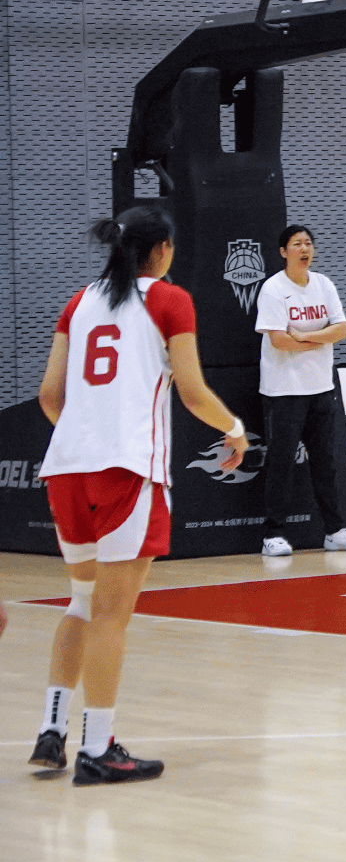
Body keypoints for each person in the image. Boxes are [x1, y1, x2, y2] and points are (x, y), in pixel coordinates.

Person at [30, 209, 249, 784]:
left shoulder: (79, 302)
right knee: (111, 616)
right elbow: (194, 392)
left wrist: (84, 435)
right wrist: (234, 429)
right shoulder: (170, 300)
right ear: (164, 249)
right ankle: (97, 749)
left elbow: (49, 395)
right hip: (126, 468)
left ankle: (50, 730)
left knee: (82, 602)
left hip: (67, 467)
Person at [254, 224, 346, 557]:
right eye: (296, 244)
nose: (304, 249)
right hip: (283, 391)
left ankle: (335, 531)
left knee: (325, 463)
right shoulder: (273, 289)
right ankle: (273, 535)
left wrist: (303, 337)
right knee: (281, 464)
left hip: (321, 388)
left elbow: (341, 330)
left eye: (308, 243)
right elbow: (279, 340)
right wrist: (320, 338)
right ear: (283, 252)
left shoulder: (324, 284)